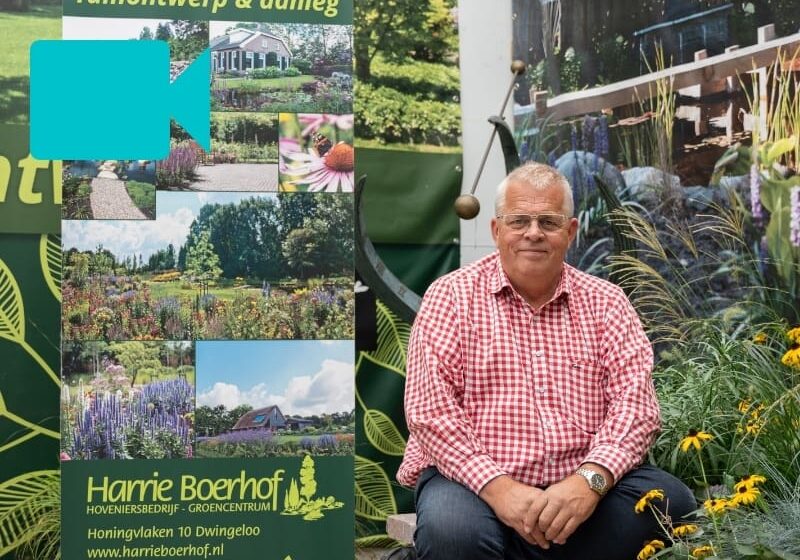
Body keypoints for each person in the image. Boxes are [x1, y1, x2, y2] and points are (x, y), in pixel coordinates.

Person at [397, 163, 695, 560]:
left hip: (582, 486)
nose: (533, 233)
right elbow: (430, 412)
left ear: (570, 231)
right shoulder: (450, 297)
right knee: (454, 534)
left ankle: (517, 549)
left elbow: (636, 409)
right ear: (496, 230)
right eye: (518, 220)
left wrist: (588, 482)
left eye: (548, 222)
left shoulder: (607, 303)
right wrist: (501, 490)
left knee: (672, 502)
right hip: (472, 485)